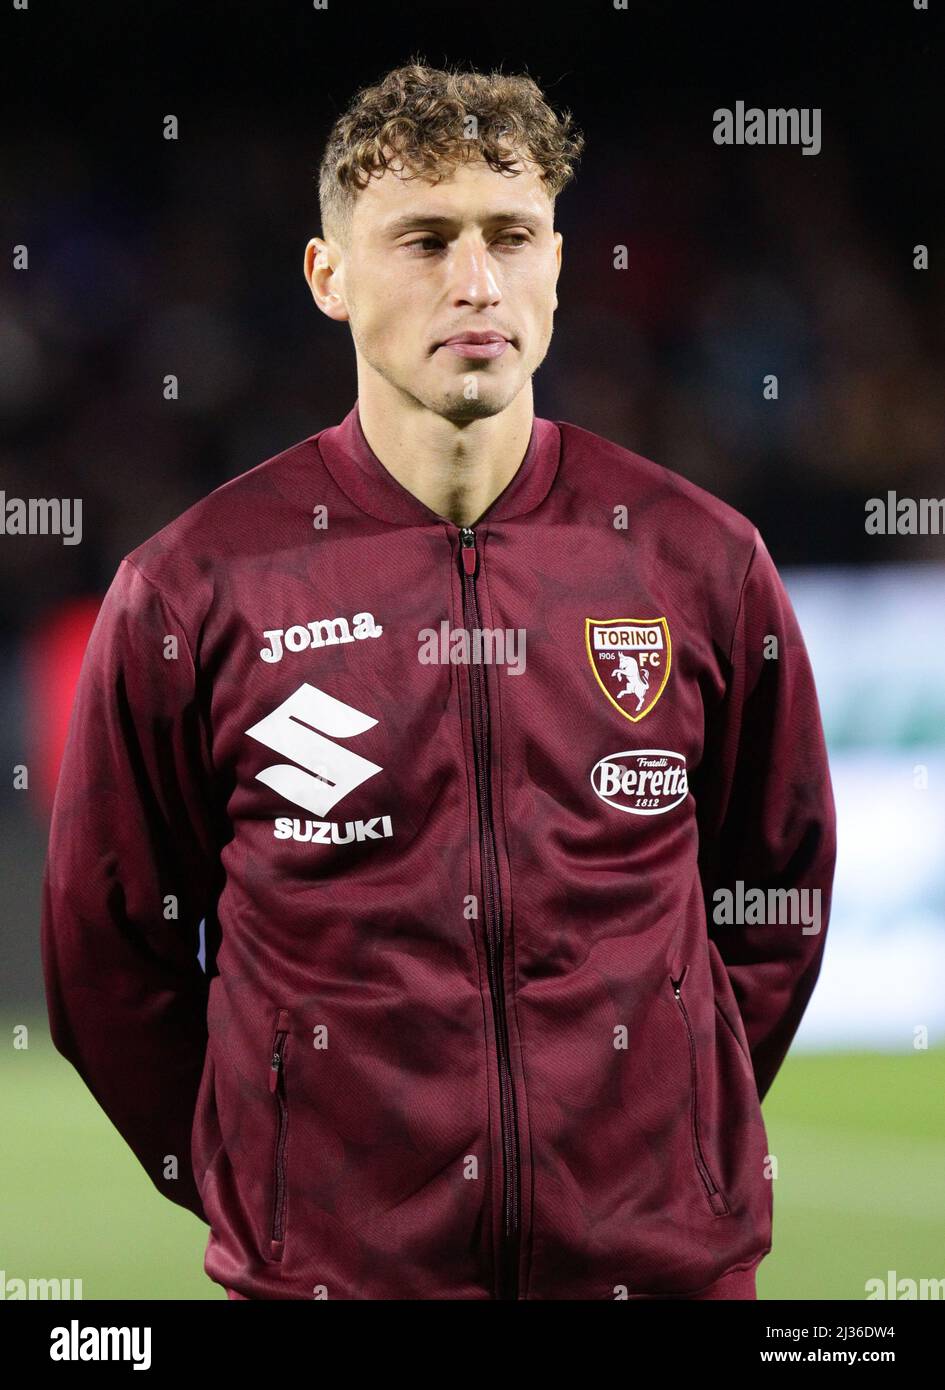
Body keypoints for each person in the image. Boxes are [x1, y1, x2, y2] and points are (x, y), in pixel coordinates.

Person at [40, 59, 836, 1301]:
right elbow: (107, 957)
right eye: (423, 239)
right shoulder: (192, 590)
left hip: (661, 1275)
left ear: (559, 264)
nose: (477, 283)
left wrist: (670, 1133)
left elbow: (775, 890)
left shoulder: (700, 560)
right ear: (328, 276)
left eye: (511, 236)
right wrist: (278, 1185)